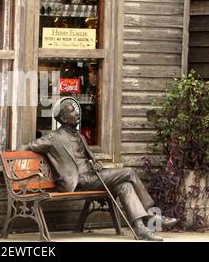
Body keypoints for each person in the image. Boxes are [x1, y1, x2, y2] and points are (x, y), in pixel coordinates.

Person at [18, 98, 177, 241]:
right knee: (129, 172)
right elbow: (28, 146)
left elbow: (89, 159)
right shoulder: (53, 137)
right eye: (72, 110)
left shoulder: (79, 136)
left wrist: (97, 164)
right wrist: (9, 156)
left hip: (91, 177)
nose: (77, 112)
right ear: (64, 118)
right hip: (78, 181)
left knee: (125, 186)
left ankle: (141, 228)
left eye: (76, 108)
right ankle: (152, 214)